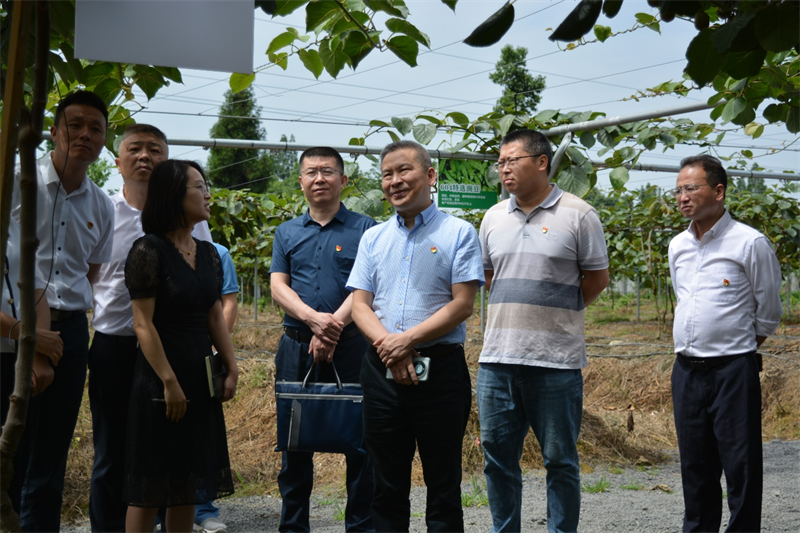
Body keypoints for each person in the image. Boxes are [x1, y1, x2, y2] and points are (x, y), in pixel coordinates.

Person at [86, 124, 218, 533]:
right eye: (135, 149)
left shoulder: (194, 226)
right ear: (117, 161)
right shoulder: (103, 209)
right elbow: (86, 274)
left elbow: (205, 292)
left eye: (155, 149)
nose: (145, 156)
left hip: (173, 351)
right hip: (116, 344)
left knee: (169, 455)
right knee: (113, 451)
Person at [476, 129, 609, 533]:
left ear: (541, 162)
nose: (503, 169)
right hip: (497, 360)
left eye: (511, 160)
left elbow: (597, 279)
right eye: (500, 163)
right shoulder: (493, 217)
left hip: (555, 363)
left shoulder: (579, 214)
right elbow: (488, 275)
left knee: (560, 461)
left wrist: (557, 312)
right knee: (497, 460)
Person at [347, 140, 484, 532]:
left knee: (443, 483)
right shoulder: (373, 238)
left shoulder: (459, 232)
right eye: (387, 174)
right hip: (381, 371)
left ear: (430, 175)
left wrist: (406, 341)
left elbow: (462, 304)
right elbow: (360, 305)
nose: (395, 181)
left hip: (439, 372)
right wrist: (391, 348)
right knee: (386, 483)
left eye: (404, 170)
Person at [10, 90, 115, 531]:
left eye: (96, 129)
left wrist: (60, 320)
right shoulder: (18, 183)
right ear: (53, 131)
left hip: (70, 333)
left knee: (52, 449)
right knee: (11, 442)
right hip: (14, 329)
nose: (85, 135)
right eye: (75, 125)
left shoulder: (102, 205)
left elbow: (89, 273)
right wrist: (29, 332)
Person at [668, 155, 782, 533]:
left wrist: (737, 346)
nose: (683, 197)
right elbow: (685, 298)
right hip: (686, 370)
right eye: (678, 190)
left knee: (740, 465)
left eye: (691, 188)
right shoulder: (678, 246)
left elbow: (768, 311)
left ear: (718, 191)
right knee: (695, 466)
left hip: (733, 370)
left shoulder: (750, 243)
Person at [123, 160, 238, 533]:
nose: (207, 195)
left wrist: (231, 365)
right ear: (173, 194)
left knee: (189, 480)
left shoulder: (208, 253)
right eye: (199, 187)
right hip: (160, 380)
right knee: (150, 484)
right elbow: (143, 324)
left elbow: (214, 316)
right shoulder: (148, 250)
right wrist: (169, 382)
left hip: (199, 377)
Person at [270, 146, 376, 533]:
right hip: (296, 345)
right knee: (295, 441)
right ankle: (293, 526)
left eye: (328, 171)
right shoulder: (286, 232)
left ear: (343, 180)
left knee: (361, 443)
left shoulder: (366, 229)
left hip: (352, 347)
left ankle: (360, 527)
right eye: (311, 172)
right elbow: (278, 286)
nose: (319, 178)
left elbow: (367, 286)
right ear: (300, 181)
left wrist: (331, 330)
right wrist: (313, 320)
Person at [0, 217, 63, 425]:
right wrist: (30, 336)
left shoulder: (11, 222)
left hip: (20, 362)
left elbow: (36, 288)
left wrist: (36, 354)